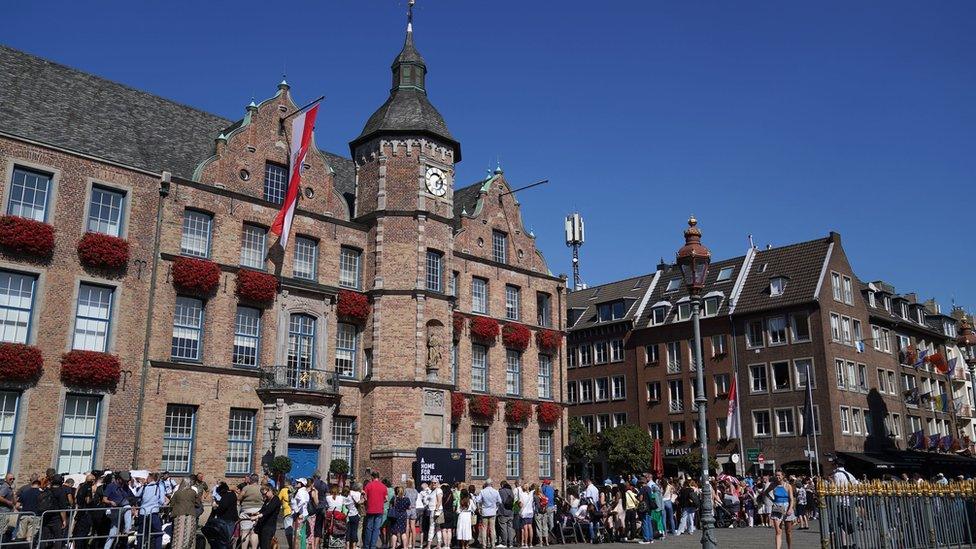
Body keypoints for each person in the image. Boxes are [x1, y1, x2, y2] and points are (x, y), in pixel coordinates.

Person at [132, 473, 167, 549]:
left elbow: (137, 495)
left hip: (143, 512)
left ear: (151, 478)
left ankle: (139, 547)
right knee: (158, 533)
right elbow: (161, 501)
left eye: (147, 478)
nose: (146, 479)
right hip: (153, 512)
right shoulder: (159, 486)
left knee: (141, 532)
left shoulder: (144, 487)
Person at [39, 474, 69, 549]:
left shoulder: (47, 490)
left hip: (46, 516)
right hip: (56, 518)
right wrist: (64, 520)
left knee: (43, 537)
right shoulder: (61, 492)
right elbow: (62, 508)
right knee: (58, 537)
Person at [769, 470, 795, 549]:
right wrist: (772, 499)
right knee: (778, 531)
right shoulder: (773, 485)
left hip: (787, 507)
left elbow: (791, 499)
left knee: (788, 531)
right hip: (777, 507)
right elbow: (766, 492)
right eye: (776, 475)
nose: (778, 477)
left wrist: (790, 508)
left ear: (783, 476)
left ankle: (789, 547)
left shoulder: (788, 486)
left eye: (779, 475)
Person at [169, 479, 198, 549]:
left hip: (179, 514)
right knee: (189, 534)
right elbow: (197, 503)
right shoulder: (193, 492)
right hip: (191, 514)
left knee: (178, 534)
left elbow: (172, 503)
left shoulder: (177, 492)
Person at [209, 483, 239, 549]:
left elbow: (222, 508)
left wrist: (215, 507)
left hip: (227, 520)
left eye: (219, 493)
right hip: (231, 519)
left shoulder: (227, 496)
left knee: (225, 539)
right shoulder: (232, 494)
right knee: (227, 539)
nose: (219, 495)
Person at [362, 472, 387, 549]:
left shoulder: (368, 485)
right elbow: (386, 499)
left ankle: (367, 545)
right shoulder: (383, 486)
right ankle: (373, 546)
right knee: (376, 529)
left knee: (369, 528)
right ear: (378, 477)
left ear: (372, 477)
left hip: (370, 509)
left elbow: (365, 498)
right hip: (379, 510)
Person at [253, 485, 282, 549]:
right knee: (262, 545)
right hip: (262, 526)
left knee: (265, 545)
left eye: (265, 494)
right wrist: (256, 513)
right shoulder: (267, 500)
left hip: (269, 527)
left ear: (270, 491)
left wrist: (258, 516)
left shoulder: (275, 499)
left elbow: (268, 510)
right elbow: (263, 509)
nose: (264, 496)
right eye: (262, 494)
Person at [240, 475, 264, 549]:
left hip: (247, 510)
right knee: (254, 532)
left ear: (250, 480)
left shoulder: (246, 488)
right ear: (258, 480)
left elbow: (239, 497)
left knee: (245, 532)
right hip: (258, 511)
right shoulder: (261, 488)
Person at [476, 479, 500, 549]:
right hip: (492, 511)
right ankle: (493, 545)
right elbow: (500, 501)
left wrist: (479, 508)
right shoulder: (495, 491)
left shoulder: (482, 491)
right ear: (491, 484)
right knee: (492, 529)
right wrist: (496, 508)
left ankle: (484, 545)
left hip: (485, 511)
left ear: (486, 484)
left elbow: (477, 500)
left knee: (484, 529)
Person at [344, 484, 362, 549]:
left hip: (347, 516)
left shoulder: (344, 498)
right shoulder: (353, 495)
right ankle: (354, 546)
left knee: (348, 531)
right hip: (354, 515)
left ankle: (348, 546)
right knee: (354, 531)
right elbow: (359, 502)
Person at [497, 481, 514, 548]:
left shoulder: (501, 491)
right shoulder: (511, 491)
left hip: (503, 512)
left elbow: (498, 501)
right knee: (510, 528)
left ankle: (504, 543)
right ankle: (511, 543)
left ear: (502, 485)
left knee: (503, 528)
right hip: (510, 512)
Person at [2, 472, 18, 543]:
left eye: (13, 479)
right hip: (3, 512)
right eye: (10, 479)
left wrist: (14, 492)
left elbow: (14, 502)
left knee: (7, 530)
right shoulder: (5, 486)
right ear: (6, 479)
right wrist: (8, 502)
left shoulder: (10, 487)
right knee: (2, 531)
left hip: (8, 512)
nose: (12, 480)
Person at [517, 483, 534, 548]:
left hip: (524, 512)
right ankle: (531, 543)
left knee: (525, 528)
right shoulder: (531, 494)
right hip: (530, 512)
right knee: (530, 527)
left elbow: (521, 505)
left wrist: (518, 503)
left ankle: (526, 544)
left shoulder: (521, 495)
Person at [440, 482, 456, 549]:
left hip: (443, 513)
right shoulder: (451, 495)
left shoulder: (442, 495)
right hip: (451, 513)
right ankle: (448, 545)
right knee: (449, 530)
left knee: (444, 530)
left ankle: (445, 544)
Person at [404, 480, 419, 549]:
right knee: (413, 527)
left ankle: (406, 545)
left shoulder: (406, 490)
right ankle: (413, 545)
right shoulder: (415, 491)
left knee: (407, 527)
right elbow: (416, 499)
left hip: (407, 509)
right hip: (413, 509)